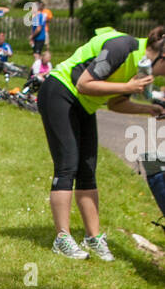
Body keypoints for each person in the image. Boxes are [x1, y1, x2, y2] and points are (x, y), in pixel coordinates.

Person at [38, 23, 165, 259]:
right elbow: (84, 84)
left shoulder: (141, 67)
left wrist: (147, 109)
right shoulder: (121, 47)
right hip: (60, 92)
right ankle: (62, 238)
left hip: (85, 105)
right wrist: (128, 86)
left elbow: (115, 102)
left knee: (87, 169)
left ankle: (93, 237)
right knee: (67, 164)